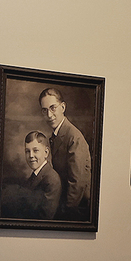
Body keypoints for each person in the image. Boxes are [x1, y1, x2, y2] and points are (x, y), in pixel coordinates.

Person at [39, 88, 91, 221]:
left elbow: (77, 182)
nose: (49, 115)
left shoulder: (73, 137)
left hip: (76, 209)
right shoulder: (57, 134)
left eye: (53, 108)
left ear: (62, 107)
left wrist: (65, 214)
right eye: (45, 110)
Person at [16, 131, 61, 220]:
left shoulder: (51, 180)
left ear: (46, 152)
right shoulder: (33, 177)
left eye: (35, 150)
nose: (31, 155)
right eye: (27, 151)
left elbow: (45, 217)